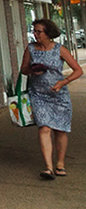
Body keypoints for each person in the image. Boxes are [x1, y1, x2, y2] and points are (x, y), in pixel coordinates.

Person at [20, 18, 83, 180]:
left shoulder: (60, 49)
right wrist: (32, 70)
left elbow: (78, 70)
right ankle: (48, 167)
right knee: (44, 128)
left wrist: (63, 82)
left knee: (60, 130)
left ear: (48, 33)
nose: (35, 34)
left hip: (59, 96)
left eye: (38, 31)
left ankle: (60, 164)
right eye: (34, 31)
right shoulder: (31, 49)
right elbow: (23, 69)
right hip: (38, 94)